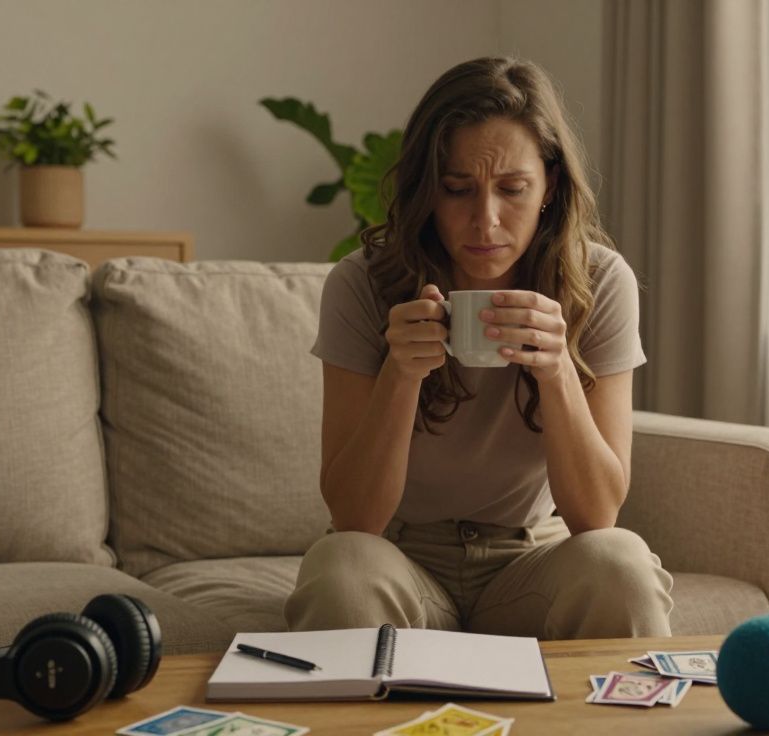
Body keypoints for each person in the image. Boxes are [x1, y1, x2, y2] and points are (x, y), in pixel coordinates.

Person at [284, 57, 674, 639]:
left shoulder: (597, 282)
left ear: (550, 187)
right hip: (399, 555)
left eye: (512, 189)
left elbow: (597, 515)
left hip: (531, 559)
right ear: (427, 191)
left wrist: (557, 371)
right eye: (457, 189)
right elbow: (354, 517)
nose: (485, 221)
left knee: (619, 564)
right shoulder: (363, 283)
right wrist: (400, 375)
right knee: (342, 570)